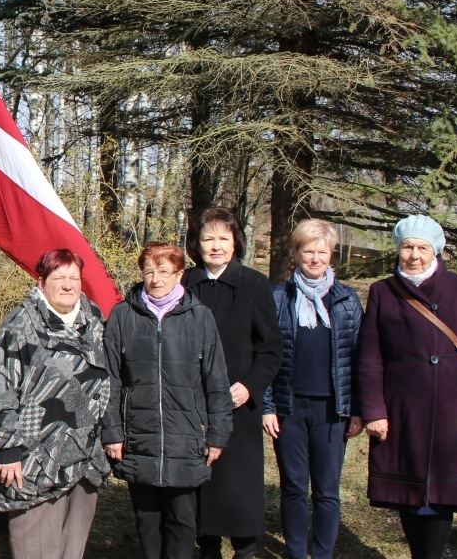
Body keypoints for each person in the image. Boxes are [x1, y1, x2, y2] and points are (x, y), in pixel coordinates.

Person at [358, 215, 457, 559]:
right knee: (409, 485)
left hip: (451, 402)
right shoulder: (382, 291)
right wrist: (374, 410)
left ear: (436, 250)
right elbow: (370, 356)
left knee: (443, 486)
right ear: (398, 250)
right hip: (402, 404)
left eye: (422, 247)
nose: (414, 255)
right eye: (407, 247)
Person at [104, 242, 233, 559]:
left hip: (186, 437)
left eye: (163, 271)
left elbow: (216, 380)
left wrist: (218, 434)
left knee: (182, 519)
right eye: (149, 270)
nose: (155, 278)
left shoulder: (200, 317)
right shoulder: (123, 316)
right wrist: (112, 431)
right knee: (146, 519)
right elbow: (109, 379)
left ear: (179, 274)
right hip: (138, 436)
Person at [0, 249, 111, 559]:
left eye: (74, 278)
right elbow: (0, 389)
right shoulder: (21, 324)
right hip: (36, 457)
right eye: (58, 278)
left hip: (86, 454)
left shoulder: (95, 318)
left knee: (73, 549)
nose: (67, 285)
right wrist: (8, 450)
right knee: (37, 549)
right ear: (41, 282)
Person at [182, 207, 282, 559]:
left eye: (223, 238)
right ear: (196, 243)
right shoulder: (185, 285)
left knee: (239, 482)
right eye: (208, 238)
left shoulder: (254, 284)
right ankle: (206, 546)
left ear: (235, 242)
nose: (216, 246)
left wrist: (250, 385)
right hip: (193, 404)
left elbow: (271, 348)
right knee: (203, 479)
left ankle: (245, 549)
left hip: (239, 402)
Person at [261, 219, 365, 559]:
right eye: (308, 251)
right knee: (293, 487)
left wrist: (358, 410)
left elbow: (360, 358)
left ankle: (322, 554)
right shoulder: (277, 298)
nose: (315, 258)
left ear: (332, 254)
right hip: (289, 408)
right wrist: (267, 406)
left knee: (327, 490)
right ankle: (295, 552)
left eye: (322, 252)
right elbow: (264, 356)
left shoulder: (347, 300)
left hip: (332, 410)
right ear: (296, 253)